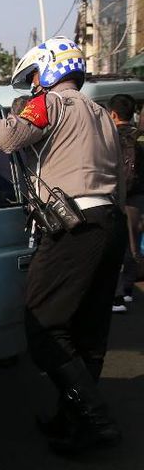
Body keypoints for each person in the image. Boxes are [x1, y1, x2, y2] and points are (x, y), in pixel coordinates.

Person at [0, 37, 126, 454]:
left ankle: (96, 420)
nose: (34, 85)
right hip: (110, 224)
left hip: (75, 227)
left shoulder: (51, 105)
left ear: (50, 70)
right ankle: (73, 422)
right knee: (87, 333)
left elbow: (6, 138)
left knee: (43, 328)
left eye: (36, 76)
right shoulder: (101, 115)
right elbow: (121, 182)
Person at [108, 94, 143, 313]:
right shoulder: (140, 136)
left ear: (113, 114)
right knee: (134, 244)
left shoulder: (109, 136)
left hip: (116, 197)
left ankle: (117, 297)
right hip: (139, 198)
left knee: (116, 247)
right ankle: (128, 290)